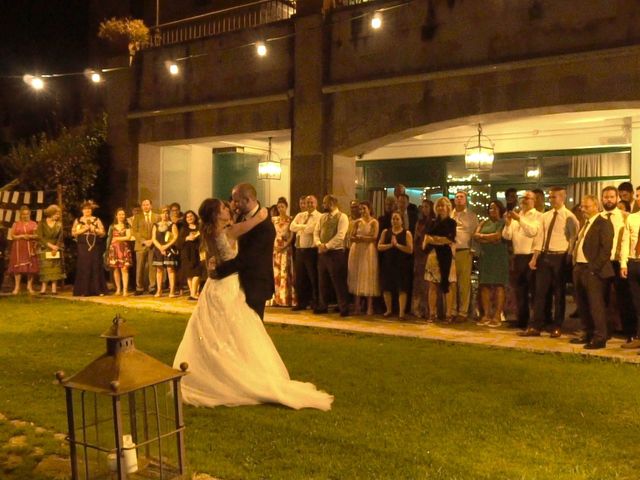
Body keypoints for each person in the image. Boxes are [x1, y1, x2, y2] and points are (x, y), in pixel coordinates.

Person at [173, 198, 333, 410]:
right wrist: (261, 210)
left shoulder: (210, 232)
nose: (228, 208)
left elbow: (213, 257)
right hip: (227, 286)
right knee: (235, 329)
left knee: (219, 330)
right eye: (223, 207)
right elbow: (258, 218)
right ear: (215, 214)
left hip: (214, 286)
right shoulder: (228, 232)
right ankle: (238, 374)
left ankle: (218, 371)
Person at [212, 183, 277, 320]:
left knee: (252, 326)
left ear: (247, 200)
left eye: (236, 201)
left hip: (255, 283)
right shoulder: (243, 218)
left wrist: (220, 271)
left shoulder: (264, 226)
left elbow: (248, 258)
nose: (233, 205)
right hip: (237, 281)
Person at [520, 187, 579, 338]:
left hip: (560, 256)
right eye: (550, 197)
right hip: (545, 256)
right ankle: (536, 325)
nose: (551, 200)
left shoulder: (569, 216)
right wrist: (535, 257)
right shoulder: (545, 216)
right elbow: (540, 237)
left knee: (559, 293)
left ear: (562, 198)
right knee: (539, 292)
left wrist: (570, 257)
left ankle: (557, 325)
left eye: (554, 197)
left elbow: (573, 238)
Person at [570, 195, 614, 349]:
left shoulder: (603, 223)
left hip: (593, 270)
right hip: (580, 268)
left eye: (586, 207)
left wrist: (594, 268)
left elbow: (606, 249)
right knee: (582, 304)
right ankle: (587, 332)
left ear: (596, 206)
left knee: (596, 305)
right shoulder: (586, 223)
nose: (583, 210)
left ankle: (600, 337)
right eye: (582, 207)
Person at [502, 191, 542, 329]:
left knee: (534, 291)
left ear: (534, 200)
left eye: (527, 198)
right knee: (520, 291)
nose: (524, 200)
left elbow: (533, 231)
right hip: (518, 257)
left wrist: (519, 219)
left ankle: (536, 322)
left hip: (531, 256)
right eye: (523, 198)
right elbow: (507, 236)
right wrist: (507, 224)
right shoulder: (517, 215)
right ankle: (522, 320)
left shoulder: (538, 216)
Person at [600, 186, 634, 338]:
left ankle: (629, 332)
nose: (609, 199)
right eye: (606, 197)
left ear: (617, 198)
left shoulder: (625, 216)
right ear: (602, 199)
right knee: (602, 299)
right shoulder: (598, 217)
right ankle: (604, 330)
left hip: (619, 262)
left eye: (612, 197)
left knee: (624, 298)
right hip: (603, 262)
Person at [313, 194, 350, 317]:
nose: (323, 205)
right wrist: (319, 244)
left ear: (332, 203)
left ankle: (343, 307)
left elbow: (340, 235)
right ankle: (323, 305)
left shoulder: (342, 217)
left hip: (335, 253)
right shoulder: (322, 217)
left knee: (338, 281)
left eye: (325, 203)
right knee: (322, 281)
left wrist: (327, 246)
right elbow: (316, 232)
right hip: (322, 253)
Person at [474, 200, 509, 328]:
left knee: (499, 285)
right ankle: (486, 315)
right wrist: (486, 237)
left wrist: (483, 237)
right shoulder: (484, 222)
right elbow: (475, 236)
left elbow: (498, 237)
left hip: (499, 257)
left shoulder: (503, 223)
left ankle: (497, 315)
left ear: (500, 209)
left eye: (494, 208)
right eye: (490, 208)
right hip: (486, 257)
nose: (492, 211)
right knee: (484, 285)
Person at [423, 197, 457, 323]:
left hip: (447, 256)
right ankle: (432, 313)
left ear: (448, 207)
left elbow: (450, 239)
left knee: (448, 284)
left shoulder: (451, 223)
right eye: (438, 206)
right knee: (432, 285)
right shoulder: (432, 222)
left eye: (443, 206)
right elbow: (426, 238)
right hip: (433, 255)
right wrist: (438, 240)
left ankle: (448, 313)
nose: (440, 208)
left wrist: (435, 239)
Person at [378, 212, 414, 319]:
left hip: (402, 264)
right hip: (388, 263)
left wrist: (397, 245)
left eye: (397, 219)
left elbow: (410, 250)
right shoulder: (386, 232)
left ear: (402, 221)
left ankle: (401, 312)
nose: (395, 221)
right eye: (393, 219)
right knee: (386, 287)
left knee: (402, 288)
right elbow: (379, 246)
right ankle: (388, 310)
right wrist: (390, 245)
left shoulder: (406, 233)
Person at [347, 201, 380, 315]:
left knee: (368, 276)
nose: (362, 211)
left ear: (369, 209)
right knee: (356, 275)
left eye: (364, 209)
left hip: (368, 251)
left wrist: (362, 238)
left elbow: (374, 237)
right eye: (360, 209)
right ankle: (357, 306)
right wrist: (359, 239)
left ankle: (369, 307)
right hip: (357, 250)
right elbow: (351, 236)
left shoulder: (374, 222)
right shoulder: (357, 222)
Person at [290, 195, 321, 311]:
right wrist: (303, 227)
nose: (309, 205)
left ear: (316, 204)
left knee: (313, 278)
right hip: (299, 250)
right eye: (307, 203)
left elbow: (311, 229)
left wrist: (301, 227)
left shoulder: (319, 216)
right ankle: (301, 302)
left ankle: (316, 302)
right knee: (300, 278)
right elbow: (292, 227)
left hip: (311, 251)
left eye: (311, 203)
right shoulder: (300, 215)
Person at [452, 191, 479, 322]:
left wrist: (473, 250)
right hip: (450, 252)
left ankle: (462, 312)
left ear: (466, 200)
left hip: (465, 251)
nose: (459, 199)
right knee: (452, 283)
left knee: (464, 283)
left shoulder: (471, 216)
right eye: (457, 197)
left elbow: (474, 233)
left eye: (461, 197)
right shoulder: (450, 214)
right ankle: (451, 310)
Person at [72, 201, 107, 296]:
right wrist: (84, 229)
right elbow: (73, 233)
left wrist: (94, 229)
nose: (87, 211)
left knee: (95, 265)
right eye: (85, 209)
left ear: (91, 210)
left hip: (94, 244)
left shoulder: (96, 220)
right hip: (83, 245)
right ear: (82, 210)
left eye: (89, 209)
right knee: (84, 266)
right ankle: (83, 290)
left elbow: (103, 233)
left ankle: (97, 290)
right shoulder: (78, 220)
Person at [269, 197, 296, 307]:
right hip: (275, 247)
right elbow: (271, 233)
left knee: (285, 272)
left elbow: (292, 235)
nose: (280, 209)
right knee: (276, 273)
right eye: (279, 207)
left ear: (286, 207)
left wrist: (285, 245)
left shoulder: (290, 219)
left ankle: (286, 298)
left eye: (282, 206)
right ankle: (276, 298)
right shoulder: (274, 219)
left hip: (285, 247)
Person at [620, 202, 640, 350]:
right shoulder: (632, 218)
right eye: (638, 196)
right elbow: (625, 241)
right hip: (633, 262)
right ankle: (637, 337)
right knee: (636, 303)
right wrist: (623, 263)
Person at [411, 199, 435, 318]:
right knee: (419, 281)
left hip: (429, 252)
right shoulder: (419, 222)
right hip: (419, 253)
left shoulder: (434, 221)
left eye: (427, 207)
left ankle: (429, 309)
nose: (425, 209)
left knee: (429, 282)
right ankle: (417, 308)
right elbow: (416, 237)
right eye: (423, 207)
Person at [8, 205, 39, 295]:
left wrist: (29, 236)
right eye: (23, 214)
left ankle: (29, 286)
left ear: (29, 214)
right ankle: (17, 287)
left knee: (31, 267)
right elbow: (12, 236)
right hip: (18, 247)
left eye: (27, 214)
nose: (25, 216)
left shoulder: (34, 224)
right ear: (20, 215)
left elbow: (37, 236)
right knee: (18, 267)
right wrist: (21, 236)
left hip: (30, 246)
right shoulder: (16, 224)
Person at [131, 199, 160, 295]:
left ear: (151, 205)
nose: (145, 206)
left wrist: (152, 240)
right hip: (140, 245)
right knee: (140, 267)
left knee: (153, 267)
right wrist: (143, 241)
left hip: (153, 245)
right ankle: (139, 288)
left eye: (147, 204)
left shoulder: (157, 217)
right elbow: (134, 231)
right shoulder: (137, 217)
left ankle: (152, 287)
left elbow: (159, 230)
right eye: (143, 205)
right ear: (142, 207)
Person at [36, 204, 66, 295]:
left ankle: (54, 289)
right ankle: (43, 289)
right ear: (51, 213)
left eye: (58, 214)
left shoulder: (59, 225)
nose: (58, 216)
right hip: (45, 247)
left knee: (55, 268)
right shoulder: (42, 223)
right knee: (45, 268)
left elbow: (60, 238)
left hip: (55, 249)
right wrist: (50, 246)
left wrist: (56, 247)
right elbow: (40, 237)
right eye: (56, 214)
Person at [151, 206, 179, 297]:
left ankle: (172, 291)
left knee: (170, 269)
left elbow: (175, 237)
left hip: (169, 249)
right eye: (163, 213)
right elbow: (154, 238)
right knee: (159, 270)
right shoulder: (156, 225)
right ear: (160, 214)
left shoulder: (172, 225)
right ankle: (159, 291)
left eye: (167, 213)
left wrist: (166, 247)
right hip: (158, 250)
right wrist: (160, 247)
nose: (165, 215)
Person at [105, 208, 133, 296]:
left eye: (123, 214)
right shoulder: (112, 226)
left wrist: (117, 238)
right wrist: (107, 250)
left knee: (124, 269)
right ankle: (118, 289)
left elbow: (128, 237)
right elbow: (109, 239)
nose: (121, 216)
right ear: (116, 216)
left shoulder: (127, 225)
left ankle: (125, 290)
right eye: (120, 214)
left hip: (124, 248)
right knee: (116, 269)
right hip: (114, 249)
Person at [177, 210, 202, 301]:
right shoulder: (184, 228)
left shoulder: (199, 227)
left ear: (195, 217)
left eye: (191, 216)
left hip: (197, 252)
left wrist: (198, 236)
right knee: (189, 274)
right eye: (187, 217)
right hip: (187, 253)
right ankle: (193, 293)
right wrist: (187, 238)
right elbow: (178, 243)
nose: (189, 218)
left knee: (197, 273)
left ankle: (193, 294)